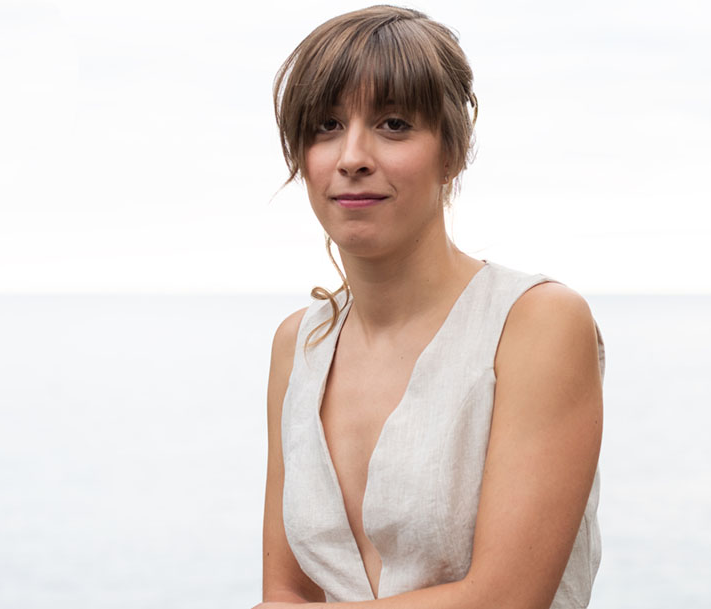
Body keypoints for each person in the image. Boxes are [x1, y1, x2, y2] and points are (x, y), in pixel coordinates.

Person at [254, 6, 604, 609]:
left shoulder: (535, 323)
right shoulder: (299, 346)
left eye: (393, 124)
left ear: (452, 152)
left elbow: (505, 600)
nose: (352, 157)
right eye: (326, 126)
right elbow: (285, 590)